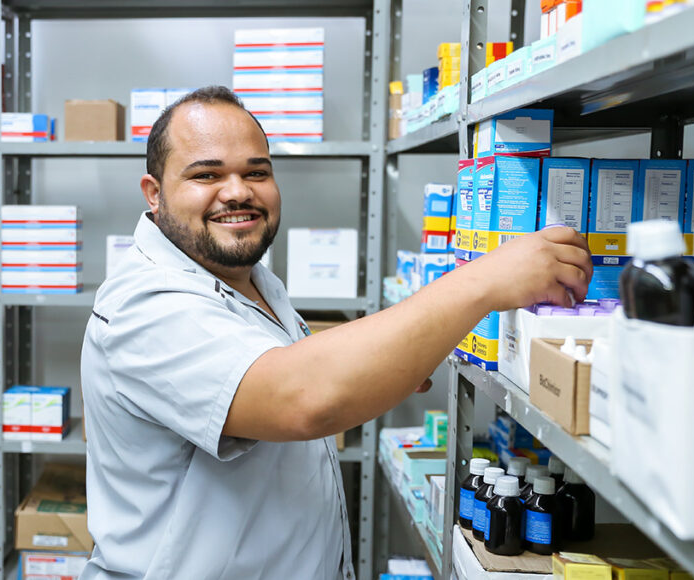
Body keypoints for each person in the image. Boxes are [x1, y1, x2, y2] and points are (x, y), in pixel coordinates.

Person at [80, 85, 592, 579]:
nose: (237, 192)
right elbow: (305, 396)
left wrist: (379, 361)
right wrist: (484, 281)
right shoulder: (144, 303)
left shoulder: (251, 278)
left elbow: (299, 370)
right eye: (205, 174)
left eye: (256, 172)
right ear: (154, 194)